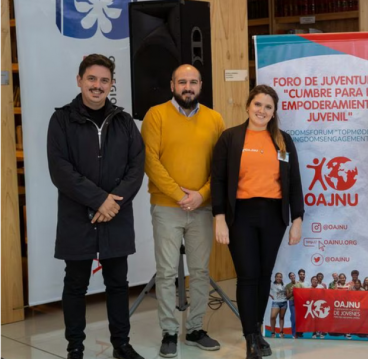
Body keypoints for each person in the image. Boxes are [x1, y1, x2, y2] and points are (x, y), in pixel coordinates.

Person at [47, 54, 145, 359]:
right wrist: (99, 200)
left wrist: (112, 202)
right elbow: (60, 170)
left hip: (115, 215)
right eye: (92, 79)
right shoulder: (61, 119)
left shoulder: (125, 122)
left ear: (111, 85)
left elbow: (136, 167)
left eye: (104, 80)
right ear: (79, 80)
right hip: (78, 217)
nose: (97, 86)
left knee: (118, 283)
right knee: (75, 284)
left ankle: (121, 345)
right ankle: (75, 347)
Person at [212, 84, 304, 359]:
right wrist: (219, 217)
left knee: (264, 276)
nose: (261, 110)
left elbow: (295, 182)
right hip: (240, 216)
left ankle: (257, 331)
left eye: (268, 107)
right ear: (248, 106)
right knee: (248, 275)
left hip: (274, 217)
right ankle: (250, 338)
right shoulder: (230, 138)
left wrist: (297, 218)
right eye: (258, 104)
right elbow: (217, 180)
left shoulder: (283, 141)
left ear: (274, 112)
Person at [141, 64, 225, 357]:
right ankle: (169, 332)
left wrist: (201, 195)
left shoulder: (215, 119)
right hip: (167, 207)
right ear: (172, 85)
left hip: (202, 208)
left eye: (193, 81)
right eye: (182, 82)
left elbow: (221, 166)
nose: (187, 86)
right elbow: (150, 161)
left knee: (200, 271)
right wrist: (180, 195)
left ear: (201, 85)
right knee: (166, 273)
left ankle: (195, 329)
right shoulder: (156, 115)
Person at [269, 273, 287, 338]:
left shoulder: (284, 285)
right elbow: (265, 289)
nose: (279, 278)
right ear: (275, 277)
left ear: (282, 278)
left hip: (284, 302)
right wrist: (271, 295)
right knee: (273, 317)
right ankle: (273, 332)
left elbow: (286, 293)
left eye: (280, 277)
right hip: (276, 302)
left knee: (281, 317)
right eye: (277, 277)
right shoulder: (272, 285)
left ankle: (281, 332)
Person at [285, 272, 298, 338]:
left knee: (299, 318)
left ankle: (299, 333)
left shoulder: (299, 283)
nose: (292, 276)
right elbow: (287, 297)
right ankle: (294, 334)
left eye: (293, 275)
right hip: (292, 301)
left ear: (295, 276)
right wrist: (292, 291)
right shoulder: (288, 286)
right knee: (293, 317)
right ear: (289, 277)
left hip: (299, 301)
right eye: (291, 276)